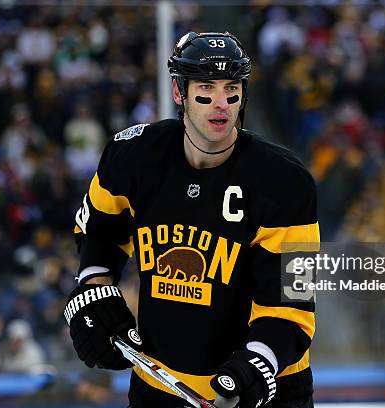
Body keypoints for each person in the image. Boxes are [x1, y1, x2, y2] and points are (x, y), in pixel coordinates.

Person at [64, 31, 320, 408]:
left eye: (231, 88)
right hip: (158, 386)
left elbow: (290, 307)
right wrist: (93, 285)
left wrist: (257, 366)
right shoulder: (133, 156)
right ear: (178, 92)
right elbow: (99, 231)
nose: (221, 104)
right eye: (206, 88)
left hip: (265, 393)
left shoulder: (285, 183)